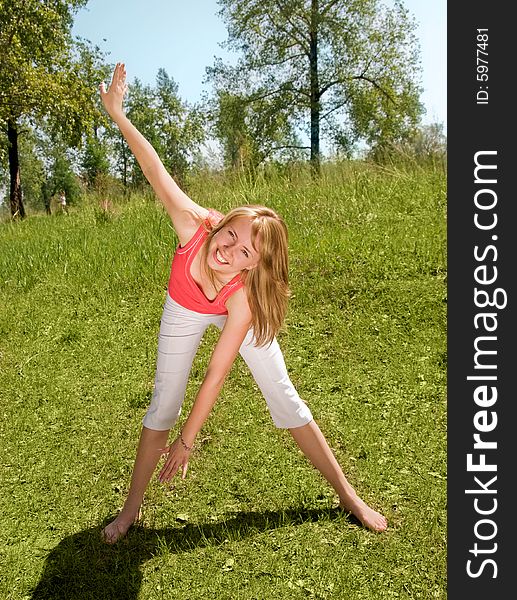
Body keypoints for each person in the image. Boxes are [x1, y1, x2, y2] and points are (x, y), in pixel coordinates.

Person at [99, 63, 387, 544]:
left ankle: (347, 494)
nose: (227, 250)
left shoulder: (246, 297)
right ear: (221, 224)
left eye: (244, 252)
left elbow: (217, 373)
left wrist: (188, 442)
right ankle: (130, 510)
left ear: (253, 266)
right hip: (185, 305)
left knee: (283, 394)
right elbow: (153, 168)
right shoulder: (194, 226)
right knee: (163, 405)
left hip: (229, 309)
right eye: (230, 235)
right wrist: (119, 115)